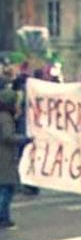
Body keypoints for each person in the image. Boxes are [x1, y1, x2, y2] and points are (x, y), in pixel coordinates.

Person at [0, 88, 33, 228]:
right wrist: (25, 139)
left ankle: (4, 217)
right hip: (4, 157)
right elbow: (8, 137)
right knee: (7, 188)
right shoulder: (5, 118)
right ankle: (3, 217)